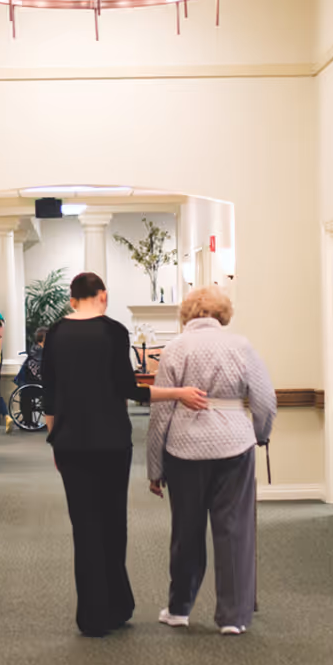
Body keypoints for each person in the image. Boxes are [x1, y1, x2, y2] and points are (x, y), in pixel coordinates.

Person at [43, 272, 206, 637]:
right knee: (113, 525)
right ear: (103, 296)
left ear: (72, 299)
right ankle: (117, 605)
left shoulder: (54, 334)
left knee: (83, 527)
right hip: (112, 443)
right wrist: (178, 393)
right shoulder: (114, 332)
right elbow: (129, 390)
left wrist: (55, 438)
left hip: (70, 444)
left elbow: (48, 395)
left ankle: (91, 616)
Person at [146, 286, 276, 635]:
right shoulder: (241, 346)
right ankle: (233, 617)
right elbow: (265, 400)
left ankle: (179, 609)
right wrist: (260, 434)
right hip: (235, 444)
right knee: (234, 529)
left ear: (187, 315)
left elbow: (161, 413)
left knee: (186, 530)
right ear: (223, 314)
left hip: (184, 448)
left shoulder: (173, 349)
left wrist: (154, 468)